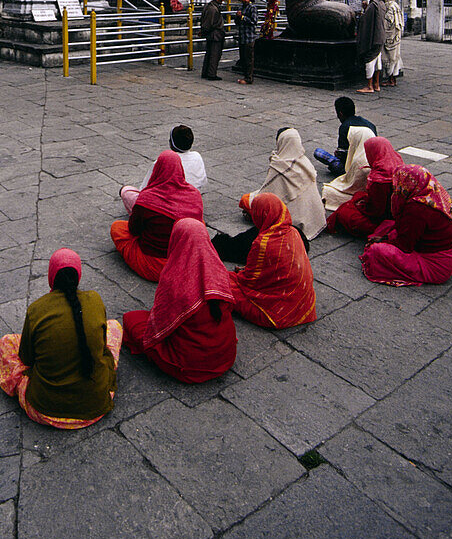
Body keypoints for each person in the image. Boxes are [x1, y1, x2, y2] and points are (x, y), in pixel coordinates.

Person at [0, 248, 121, 428]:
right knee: (114, 327)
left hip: (45, 410)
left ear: (51, 277)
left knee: (6, 343)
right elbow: (102, 348)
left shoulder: (37, 310)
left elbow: (26, 359)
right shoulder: (95, 299)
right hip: (96, 406)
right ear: (78, 276)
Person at [122, 219, 237, 383]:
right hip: (224, 356)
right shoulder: (219, 270)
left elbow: (160, 323)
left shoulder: (174, 278)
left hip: (190, 366)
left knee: (131, 319)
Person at [223, 193, 317, 329]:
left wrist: (240, 274)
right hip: (303, 304)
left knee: (222, 281)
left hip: (276, 314)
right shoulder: (294, 232)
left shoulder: (263, 243)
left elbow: (249, 281)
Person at [110, 150, 204, 281]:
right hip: (185, 263)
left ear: (157, 169)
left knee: (117, 227)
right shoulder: (194, 195)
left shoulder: (147, 198)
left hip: (154, 266)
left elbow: (133, 230)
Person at [360, 166, 452, 287]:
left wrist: (384, 240)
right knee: (388, 226)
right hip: (446, 251)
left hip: (435, 265)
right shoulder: (431, 195)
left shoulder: (416, 209)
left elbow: (405, 246)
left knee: (376, 251)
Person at [243, 128, 326, 240]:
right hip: (315, 218)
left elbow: (267, 195)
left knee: (246, 200)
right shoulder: (305, 162)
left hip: (293, 219)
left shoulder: (279, 165)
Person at [120, 124, 207, 214]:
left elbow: (144, 191)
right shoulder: (197, 156)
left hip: (164, 207)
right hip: (189, 203)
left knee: (126, 191)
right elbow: (202, 181)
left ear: (171, 143)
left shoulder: (162, 162)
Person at [325, 136, 403, 236]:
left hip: (382, 217)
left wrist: (360, 205)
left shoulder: (378, 179)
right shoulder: (398, 163)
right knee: (358, 196)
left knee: (344, 211)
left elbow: (375, 211)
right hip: (397, 212)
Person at [315, 97, 377, 176]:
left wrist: (338, 154)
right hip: (373, 166)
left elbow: (344, 155)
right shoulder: (370, 124)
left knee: (318, 153)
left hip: (356, 168)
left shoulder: (345, 127)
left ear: (340, 114)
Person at [321, 123, 375, 212]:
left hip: (361, 194)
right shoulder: (374, 151)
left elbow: (352, 185)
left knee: (328, 191)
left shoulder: (360, 161)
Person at [356, 0, 387, 93]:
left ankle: (369, 86)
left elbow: (366, 20)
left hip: (373, 38)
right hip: (381, 37)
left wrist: (363, 11)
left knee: (369, 60)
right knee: (377, 60)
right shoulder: (382, 4)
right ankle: (376, 84)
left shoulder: (373, 6)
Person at [200, 0, 225, 80]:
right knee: (214, 55)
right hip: (215, 34)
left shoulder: (209, 6)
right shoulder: (213, 9)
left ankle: (206, 72)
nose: (222, 0)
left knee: (209, 53)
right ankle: (211, 74)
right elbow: (209, 23)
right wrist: (204, 31)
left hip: (212, 34)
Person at [235, 0, 258, 85]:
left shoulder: (252, 8)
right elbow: (237, 22)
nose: (246, 0)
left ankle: (249, 78)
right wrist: (237, 17)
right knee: (243, 58)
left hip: (249, 37)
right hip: (242, 36)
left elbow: (253, 21)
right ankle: (245, 75)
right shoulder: (240, 7)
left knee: (249, 58)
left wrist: (243, 17)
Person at [382, 0, 404, 87]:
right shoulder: (396, 6)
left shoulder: (390, 8)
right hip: (396, 36)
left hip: (390, 37)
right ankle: (393, 79)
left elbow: (387, 23)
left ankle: (391, 79)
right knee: (395, 57)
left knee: (389, 57)